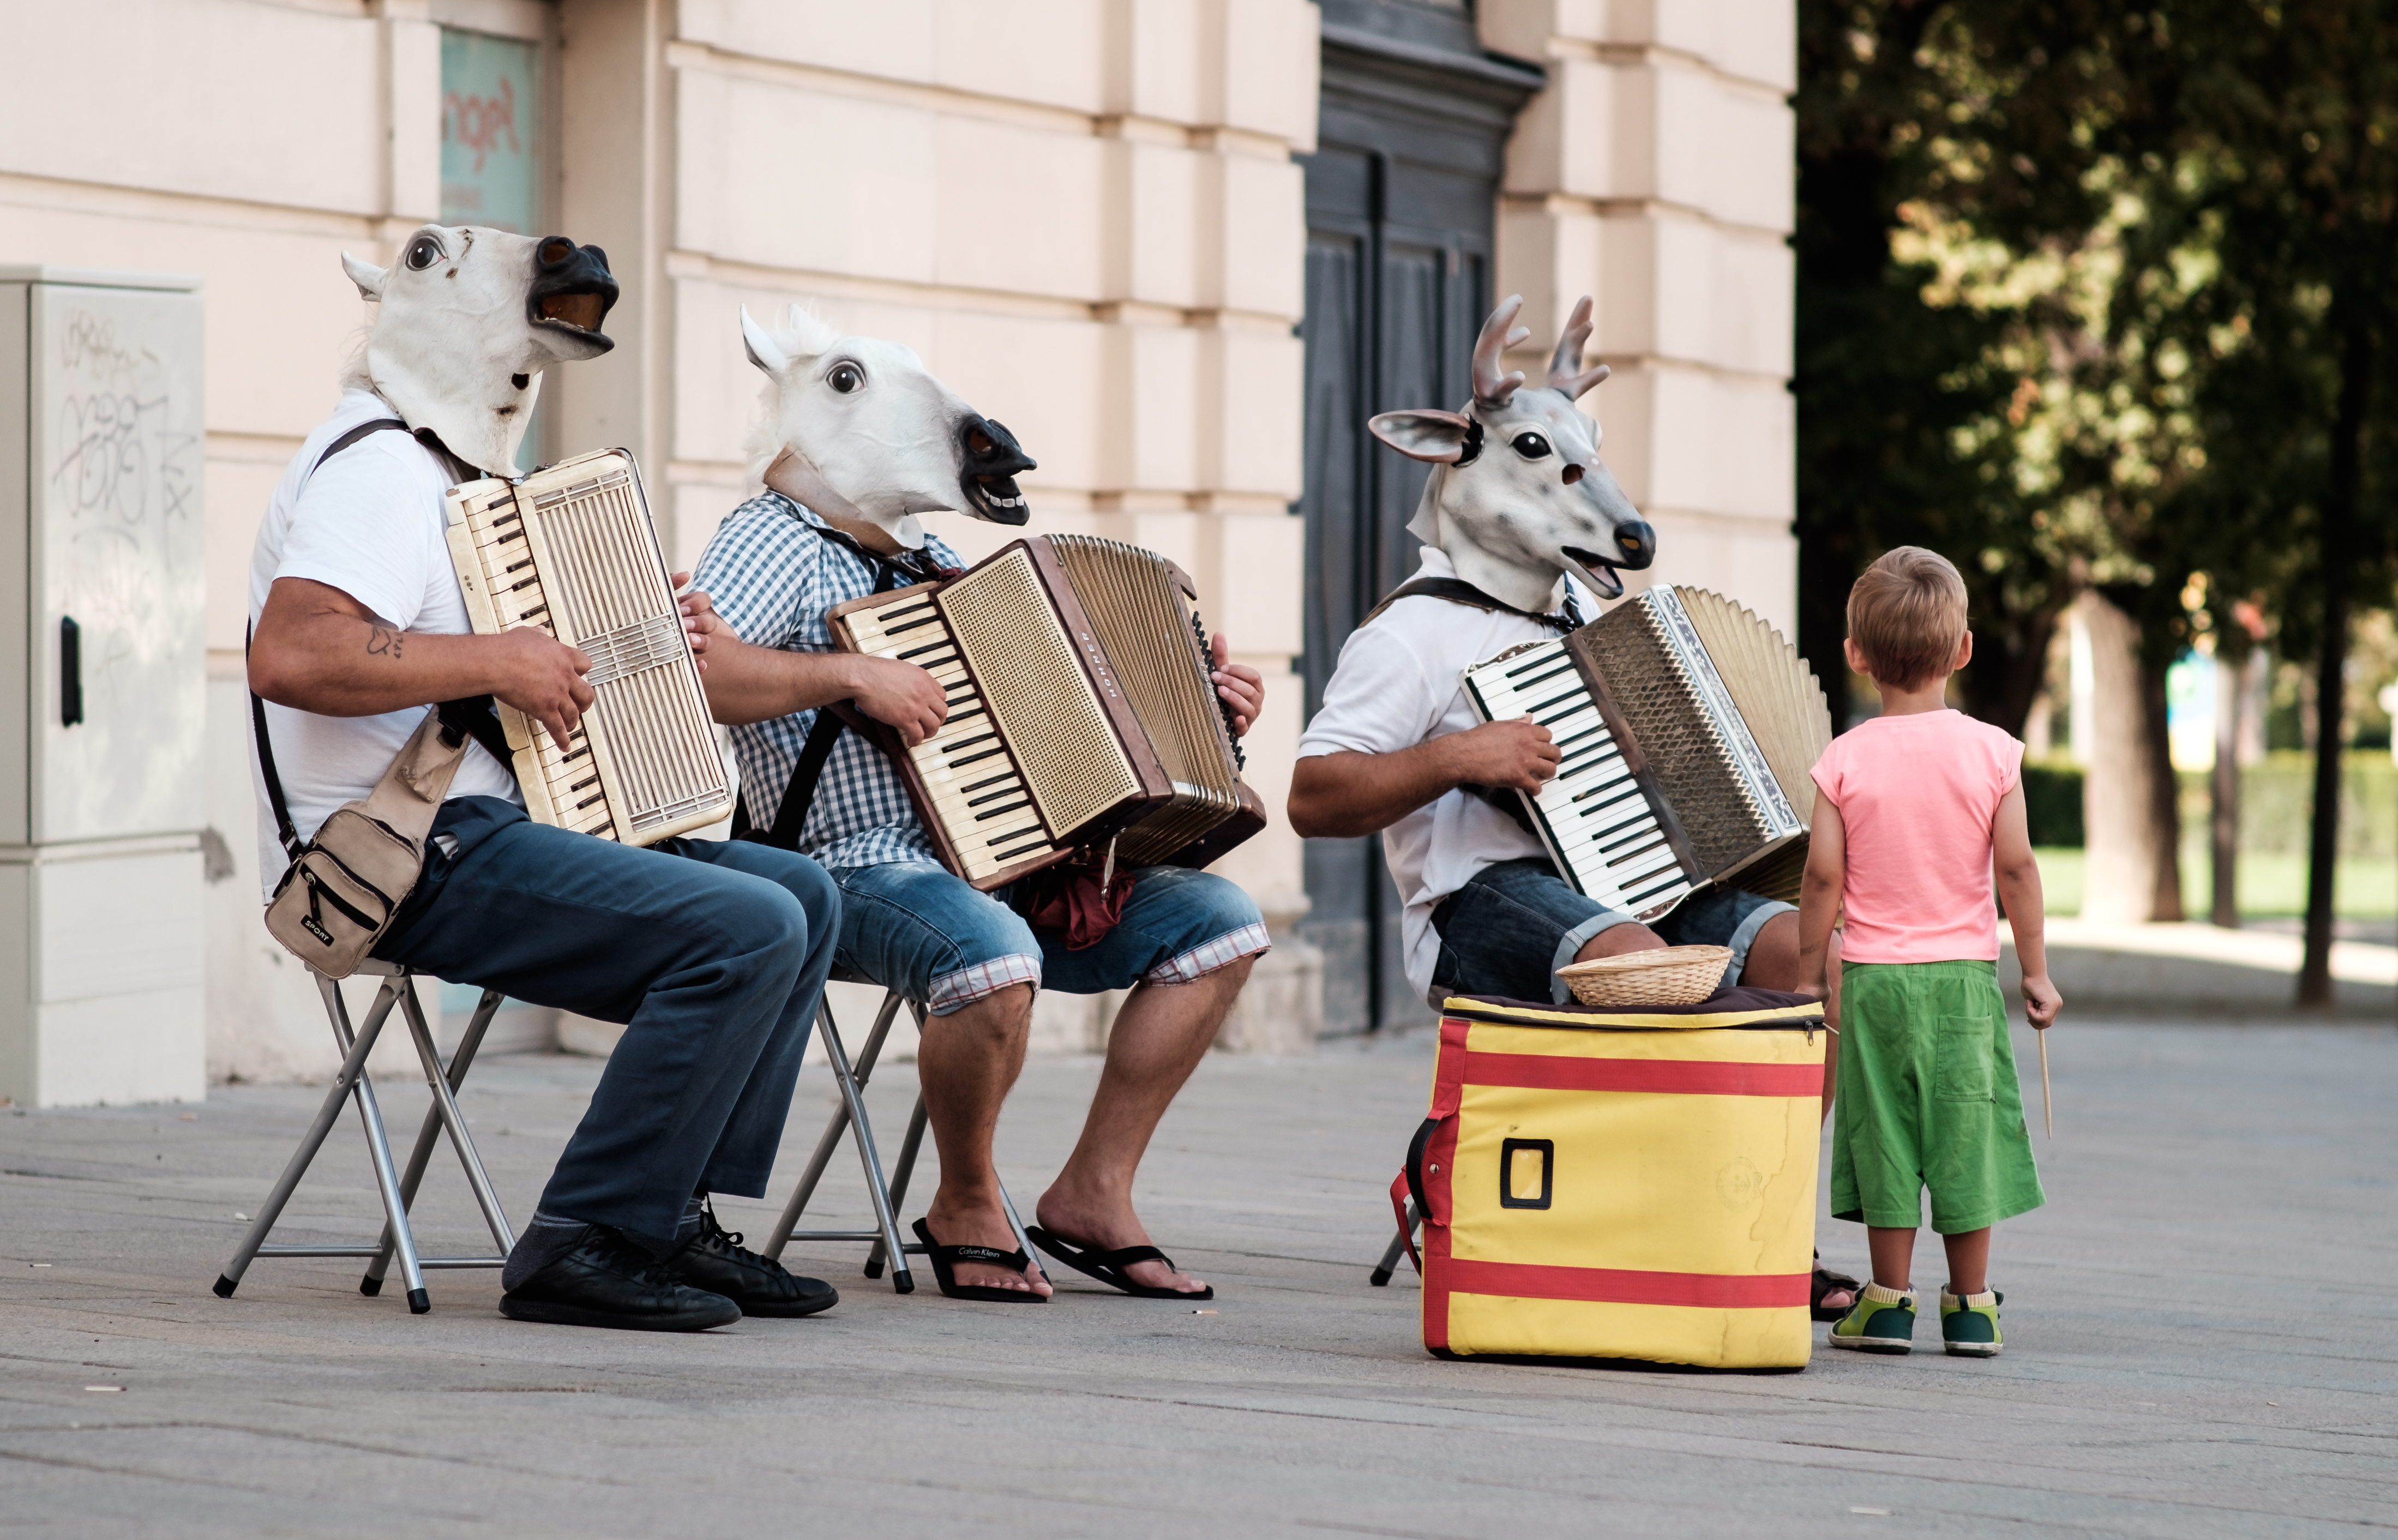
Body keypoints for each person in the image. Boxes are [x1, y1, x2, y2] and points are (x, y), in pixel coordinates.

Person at [247, 387, 844, 1333]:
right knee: (750, 924)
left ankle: (671, 1214)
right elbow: (290, 653)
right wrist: (497, 659)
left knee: (798, 892)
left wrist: (652, 637)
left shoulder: (467, 470)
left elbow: (530, 672)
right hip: (397, 854)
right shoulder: (382, 465)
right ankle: (583, 1235)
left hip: (507, 823)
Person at [688, 490, 1270, 1301]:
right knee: (991, 949)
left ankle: (1092, 1193)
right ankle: (965, 1201)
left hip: (1008, 867)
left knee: (1224, 922)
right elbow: (693, 670)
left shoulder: (941, 560)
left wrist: (1211, 716)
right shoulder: (772, 533)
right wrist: (850, 673)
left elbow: (1056, 732)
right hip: (844, 871)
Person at [1286, 544, 1862, 1319]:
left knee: (1821, 955)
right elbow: (1312, 799)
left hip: (1628, 882)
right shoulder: (1412, 628)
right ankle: (1686, 1231)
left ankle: (1764, 1219)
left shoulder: (1581, 614)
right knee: (1641, 970)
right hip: (1474, 897)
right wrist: (1460, 755)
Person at [1794, 546, 2060, 1358]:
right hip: (1965, 984)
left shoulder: (1844, 757)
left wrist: (1810, 971)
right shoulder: (1994, 753)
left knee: (1885, 1132)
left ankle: (1887, 1300)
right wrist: (2037, 969)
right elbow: (2015, 866)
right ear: (1964, 650)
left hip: (1874, 981)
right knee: (1964, 1129)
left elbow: (1821, 875)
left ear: (1856, 656)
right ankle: (1972, 1304)